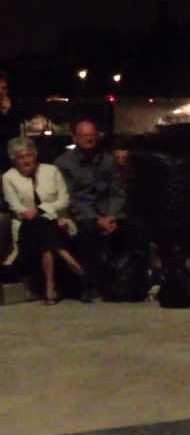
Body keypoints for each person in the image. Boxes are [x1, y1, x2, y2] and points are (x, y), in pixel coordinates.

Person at [53, 119, 135, 301]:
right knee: (88, 233)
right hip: (81, 214)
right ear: (75, 138)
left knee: (134, 228)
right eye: (85, 135)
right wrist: (96, 219)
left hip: (109, 212)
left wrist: (110, 216)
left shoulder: (107, 160)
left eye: (92, 135)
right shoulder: (63, 163)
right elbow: (70, 199)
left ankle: (129, 281)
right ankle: (89, 285)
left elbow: (117, 192)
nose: (90, 139)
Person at [3, 137, 86, 304]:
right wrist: (36, 213)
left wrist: (42, 210)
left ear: (35, 155)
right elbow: (16, 207)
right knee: (38, 224)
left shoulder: (51, 171)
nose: (26, 160)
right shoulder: (8, 177)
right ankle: (65, 255)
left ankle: (50, 287)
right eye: (20, 157)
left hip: (57, 223)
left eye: (29, 155)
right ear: (14, 160)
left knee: (43, 230)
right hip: (26, 227)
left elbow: (64, 200)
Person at [0, 73, 24, 175]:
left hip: (10, 158)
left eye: (3, 88)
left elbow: (15, 134)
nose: (1, 92)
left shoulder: (13, 108)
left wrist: (7, 112)